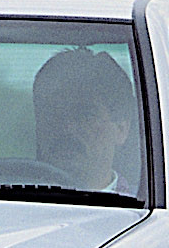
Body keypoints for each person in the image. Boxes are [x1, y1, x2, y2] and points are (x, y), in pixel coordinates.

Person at [32, 47, 140, 197]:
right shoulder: (7, 201)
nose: (67, 128)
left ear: (121, 129)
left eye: (85, 115)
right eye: (53, 113)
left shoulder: (145, 207)